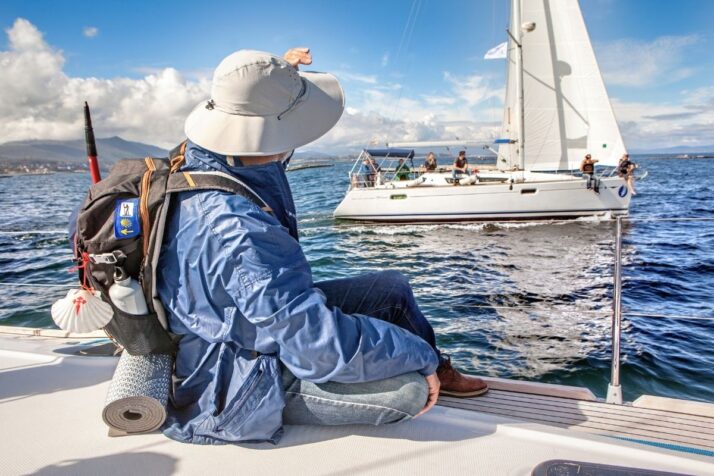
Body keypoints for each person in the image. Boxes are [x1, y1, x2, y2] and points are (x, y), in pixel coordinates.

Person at [156, 48, 488, 446]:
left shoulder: (208, 159)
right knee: (409, 392)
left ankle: (434, 367)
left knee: (392, 288)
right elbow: (317, 347)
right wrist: (418, 354)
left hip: (250, 323)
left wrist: (274, 81)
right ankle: (430, 368)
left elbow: (259, 138)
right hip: (237, 380)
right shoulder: (240, 230)